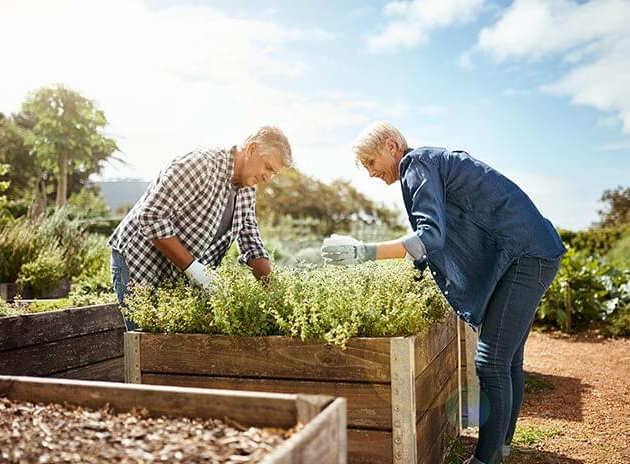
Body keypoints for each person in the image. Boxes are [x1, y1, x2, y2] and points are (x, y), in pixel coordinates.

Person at [321, 121, 565, 464]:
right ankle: (501, 452)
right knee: (507, 361)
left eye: (371, 163)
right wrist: (415, 276)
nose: (371, 174)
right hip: (532, 250)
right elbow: (437, 238)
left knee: (490, 361)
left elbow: (430, 237)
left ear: (391, 146)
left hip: (525, 255)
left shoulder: (415, 166)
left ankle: (485, 460)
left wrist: (363, 252)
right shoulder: (429, 163)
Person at [109, 126, 292, 330]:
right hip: (139, 262)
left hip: (176, 272)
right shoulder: (201, 165)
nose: (268, 178)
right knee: (146, 347)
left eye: (273, 173)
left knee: (169, 350)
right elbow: (151, 217)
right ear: (251, 149)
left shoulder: (247, 192)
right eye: (267, 167)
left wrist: (276, 297)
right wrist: (196, 270)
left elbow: (252, 244)